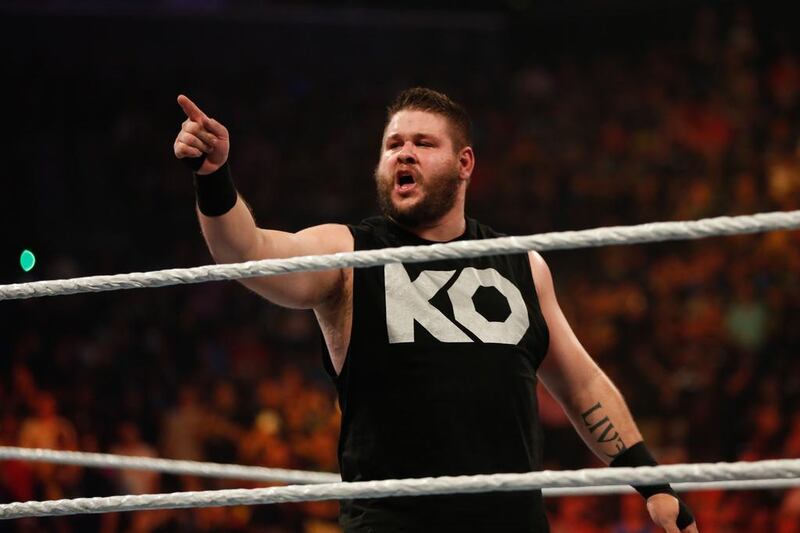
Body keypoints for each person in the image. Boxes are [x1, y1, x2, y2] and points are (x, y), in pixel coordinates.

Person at [173, 87, 698, 533]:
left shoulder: (523, 266)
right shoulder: (351, 254)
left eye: (423, 143)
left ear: (464, 163)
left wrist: (652, 482)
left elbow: (582, 386)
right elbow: (249, 253)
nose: (404, 154)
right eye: (393, 145)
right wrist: (214, 176)